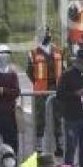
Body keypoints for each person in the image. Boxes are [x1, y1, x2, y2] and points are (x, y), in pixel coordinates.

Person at [27, 26, 65, 155]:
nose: (47, 35)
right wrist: (39, 82)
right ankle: (38, 145)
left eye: (48, 33)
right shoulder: (33, 53)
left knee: (57, 116)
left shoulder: (58, 51)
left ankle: (59, 145)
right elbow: (30, 72)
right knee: (40, 116)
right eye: (44, 33)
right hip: (41, 89)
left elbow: (63, 69)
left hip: (56, 88)